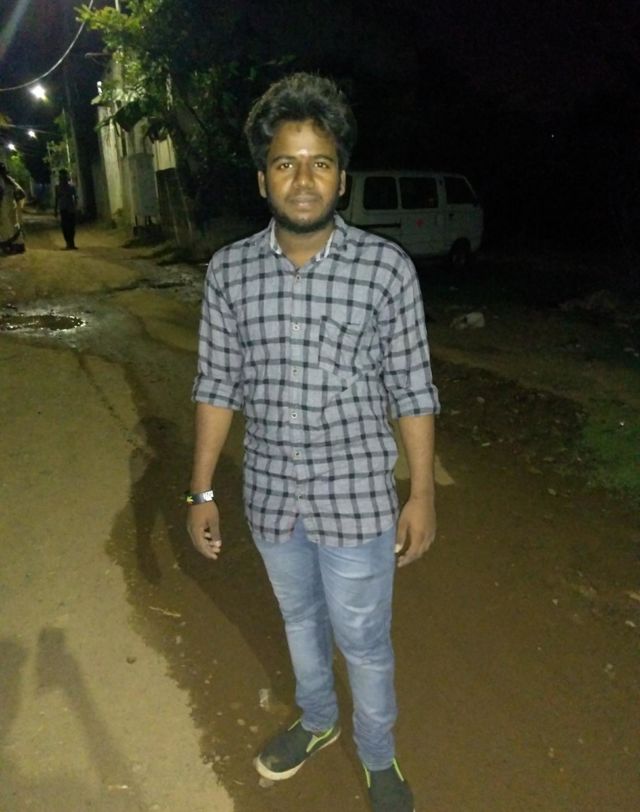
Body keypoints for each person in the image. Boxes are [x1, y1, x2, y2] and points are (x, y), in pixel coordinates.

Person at [187, 72, 439, 812]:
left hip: (356, 501)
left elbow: (413, 390)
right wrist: (201, 490)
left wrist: (421, 494)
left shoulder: (385, 270)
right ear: (263, 179)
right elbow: (217, 385)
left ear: (342, 178)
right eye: (286, 163)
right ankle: (319, 719)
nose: (303, 179)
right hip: (271, 497)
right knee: (299, 620)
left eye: (319, 162)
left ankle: (379, 755)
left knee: (363, 640)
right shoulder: (230, 272)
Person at [0, 161, 26, 255]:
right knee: (13, 225)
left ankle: (9, 246)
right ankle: (17, 246)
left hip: (4, 206)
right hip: (11, 205)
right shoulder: (10, 180)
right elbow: (22, 193)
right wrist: (15, 200)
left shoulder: (3, 181)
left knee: (5, 226)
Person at [53, 168, 78, 249]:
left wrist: (75, 206)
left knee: (71, 227)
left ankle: (71, 243)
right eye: (61, 176)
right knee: (65, 227)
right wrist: (55, 210)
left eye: (64, 176)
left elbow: (75, 197)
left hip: (70, 208)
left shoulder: (71, 186)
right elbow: (57, 198)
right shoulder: (58, 187)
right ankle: (68, 243)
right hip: (64, 208)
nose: (62, 178)